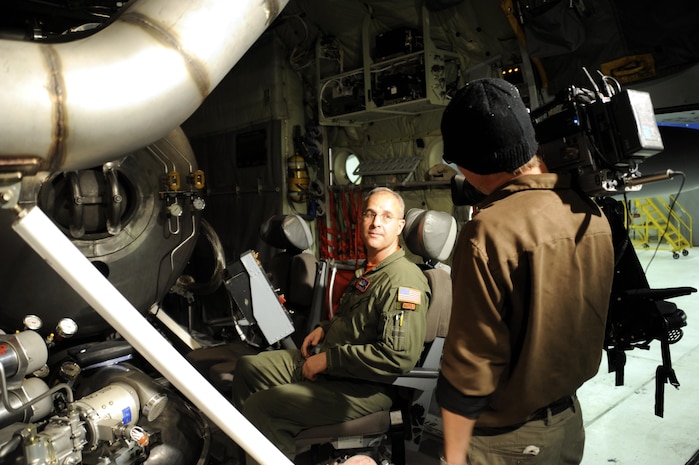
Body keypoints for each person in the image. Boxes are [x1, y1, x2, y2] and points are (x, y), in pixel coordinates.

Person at [436, 77, 615, 465]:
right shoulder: (593, 212)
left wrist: (452, 454)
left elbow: (471, 369)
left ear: (469, 163)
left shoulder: (487, 232)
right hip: (567, 425)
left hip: (504, 443)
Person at [231, 187, 431, 464]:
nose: (376, 223)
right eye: (370, 214)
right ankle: (256, 448)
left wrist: (328, 361)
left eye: (386, 216)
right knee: (249, 368)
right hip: (336, 367)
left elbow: (398, 356)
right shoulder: (370, 269)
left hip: (364, 387)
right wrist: (325, 327)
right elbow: (357, 320)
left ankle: (269, 433)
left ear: (400, 226)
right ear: (361, 220)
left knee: (262, 407)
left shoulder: (402, 280)